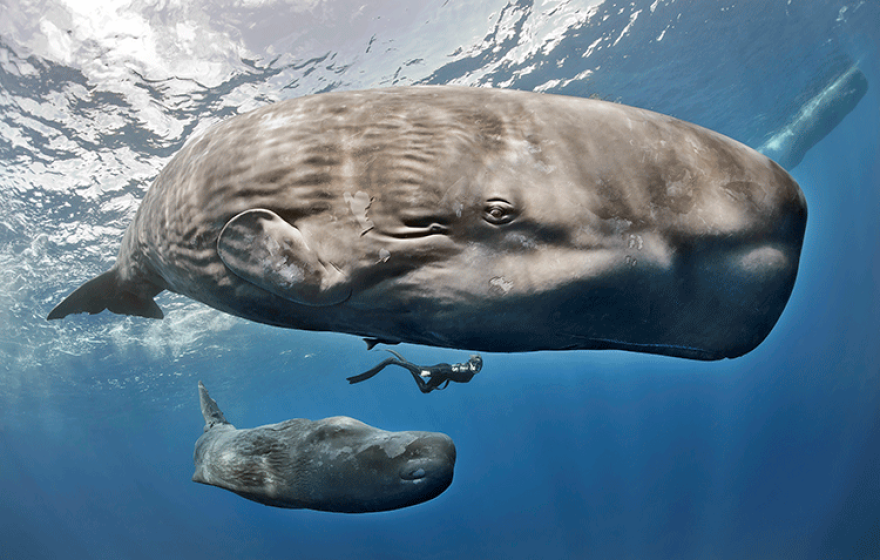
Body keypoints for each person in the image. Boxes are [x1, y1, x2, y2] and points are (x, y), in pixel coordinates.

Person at [347, 350, 483, 393]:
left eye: (478, 367)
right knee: (419, 370)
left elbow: (450, 375)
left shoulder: (469, 376)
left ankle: (402, 361)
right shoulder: (465, 369)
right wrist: (430, 373)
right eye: (474, 365)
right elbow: (447, 369)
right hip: (441, 370)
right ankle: (392, 361)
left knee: (424, 389)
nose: (475, 368)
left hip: (444, 375)